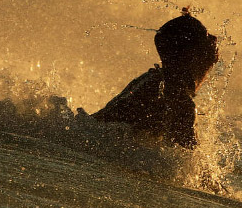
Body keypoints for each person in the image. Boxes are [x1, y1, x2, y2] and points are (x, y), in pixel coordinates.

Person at [92, 8, 219, 148]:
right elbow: (183, 165)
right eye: (206, 37)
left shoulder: (153, 79)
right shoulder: (180, 101)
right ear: (193, 56)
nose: (214, 39)